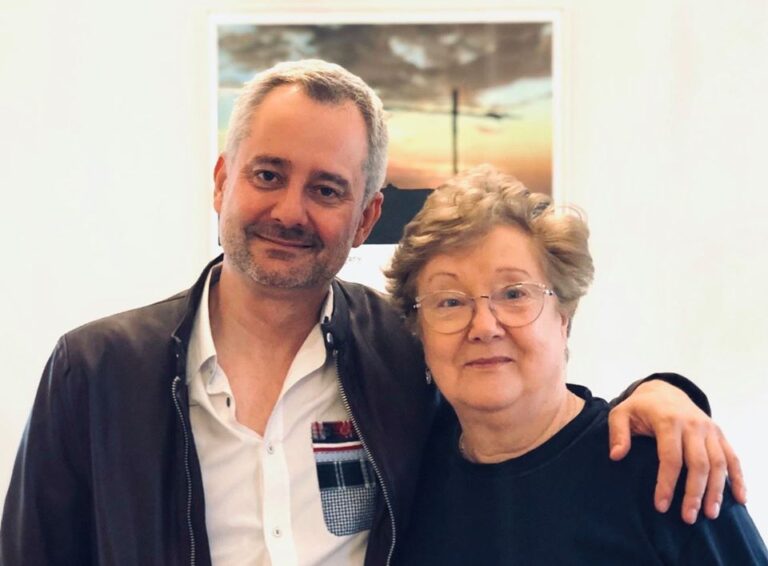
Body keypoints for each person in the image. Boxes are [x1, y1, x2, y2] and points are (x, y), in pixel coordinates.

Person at [0, 60, 747, 566]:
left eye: (327, 189)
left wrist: (663, 393)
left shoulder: (398, 351)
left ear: (364, 218)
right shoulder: (95, 370)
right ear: (223, 180)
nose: (289, 210)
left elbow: (524, 410)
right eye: (268, 175)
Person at [386, 165, 767, 564]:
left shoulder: (666, 472)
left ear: (563, 317)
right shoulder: (407, 478)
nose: (484, 326)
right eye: (449, 301)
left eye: (514, 294)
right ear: (419, 331)